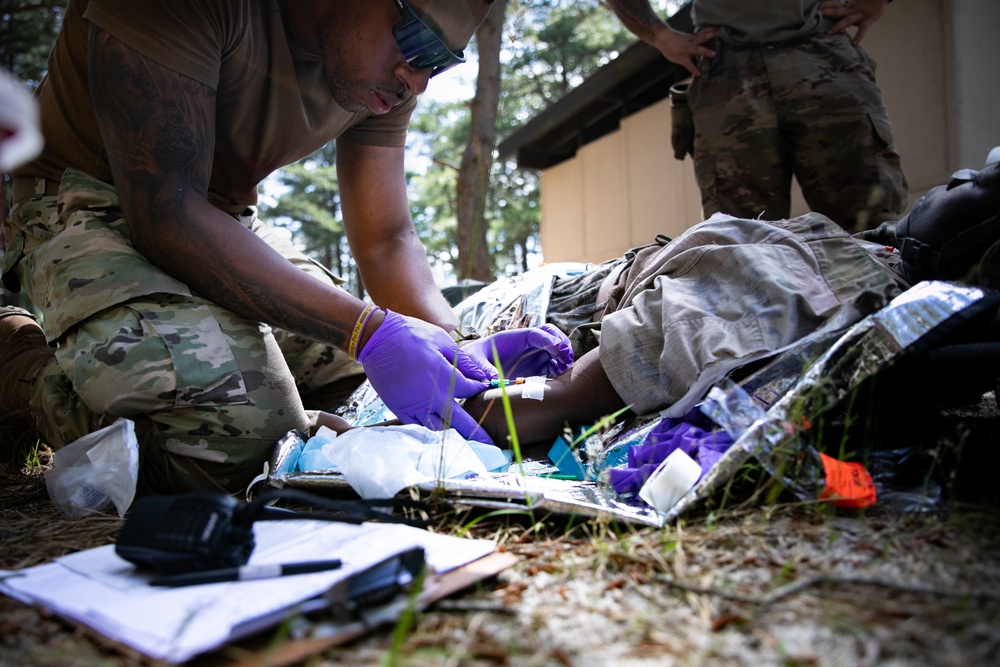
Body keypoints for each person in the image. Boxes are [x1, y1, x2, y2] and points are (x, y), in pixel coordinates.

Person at [0, 0, 573, 493]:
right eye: (419, 39)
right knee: (235, 444)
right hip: (87, 200)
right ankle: (19, 364)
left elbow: (386, 238)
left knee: (364, 391)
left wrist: (455, 352)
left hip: (220, 218)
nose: (418, 79)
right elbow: (165, 212)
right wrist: (367, 329)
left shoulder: (383, 71)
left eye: (442, 60)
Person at [464, 158, 1000, 448]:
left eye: (976, 184)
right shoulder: (870, 256)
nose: (957, 176)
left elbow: (556, 397)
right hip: (568, 283)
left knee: (446, 328)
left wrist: (435, 412)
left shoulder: (785, 294)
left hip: (553, 304)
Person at [605, 0, 908, 233]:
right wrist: (660, 36)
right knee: (742, 247)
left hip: (821, 50)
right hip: (726, 70)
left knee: (870, 231)